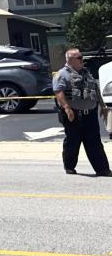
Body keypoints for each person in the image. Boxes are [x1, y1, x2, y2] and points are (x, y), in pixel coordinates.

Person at [53, 48, 111, 176]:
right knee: (73, 142)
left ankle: (103, 170)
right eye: (79, 58)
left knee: (95, 142)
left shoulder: (87, 73)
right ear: (70, 60)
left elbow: (95, 90)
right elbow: (58, 92)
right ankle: (69, 167)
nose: (82, 60)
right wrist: (67, 108)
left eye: (81, 57)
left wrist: (103, 106)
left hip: (90, 114)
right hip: (74, 115)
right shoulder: (62, 75)